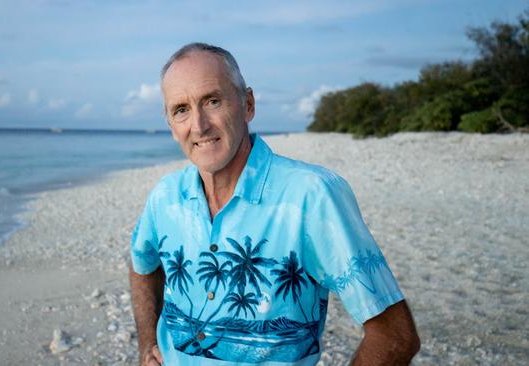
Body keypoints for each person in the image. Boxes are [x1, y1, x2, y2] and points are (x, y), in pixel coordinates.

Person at [129, 42, 420, 366]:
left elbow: (395, 334)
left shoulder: (311, 195)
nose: (198, 125)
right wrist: (147, 344)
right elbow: (142, 263)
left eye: (212, 101)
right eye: (181, 109)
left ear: (248, 104)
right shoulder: (165, 196)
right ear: (170, 124)